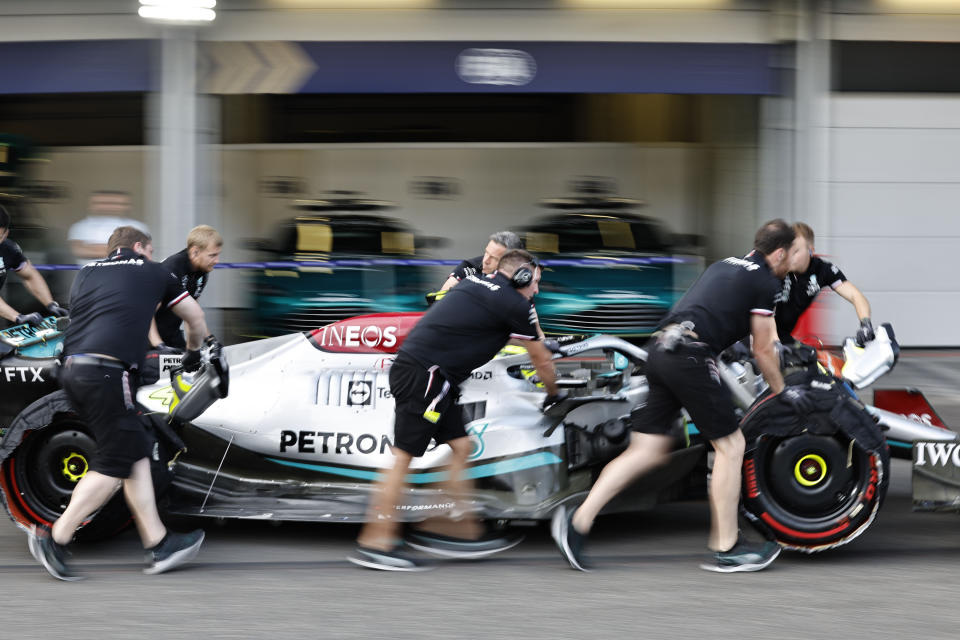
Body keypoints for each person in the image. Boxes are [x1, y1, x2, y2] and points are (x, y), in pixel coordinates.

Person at [553, 219, 807, 573]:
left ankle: (577, 523)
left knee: (646, 450)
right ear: (779, 253)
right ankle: (726, 547)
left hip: (660, 349)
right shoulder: (766, 281)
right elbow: (763, 349)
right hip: (690, 356)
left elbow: (717, 311)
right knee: (731, 446)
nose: (798, 257)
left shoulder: (726, 264)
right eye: (795, 251)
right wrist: (783, 392)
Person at [350, 249, 562, 571]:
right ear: (520, 277)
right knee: (403, 457)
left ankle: (446, 527)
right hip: (428, 377)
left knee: (461, 447)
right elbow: (541, 359)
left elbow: (478, 328)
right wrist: (554, 393)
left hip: (428, 375)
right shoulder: (516, 304)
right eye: (535, 282)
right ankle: (376, 541)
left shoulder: (474, 285)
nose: (537, 290)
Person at [27, 226, 214, 581]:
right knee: (114, 462)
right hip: (108, 374)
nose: (154, 254)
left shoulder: (85, 273)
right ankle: (54, 537)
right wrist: (192, 354)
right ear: (140, 247)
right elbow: (196, 319)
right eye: (151, 248)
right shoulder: (155, 270)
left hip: (72, 371)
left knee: (135, 450)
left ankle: (158, 543)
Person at [776, 222, 873, 345]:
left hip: (783, 336)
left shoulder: (823, 270)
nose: (789, 256)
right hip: (758, 334)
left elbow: (855, 295)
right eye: (787, 250)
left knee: (813, 358)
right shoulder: (777, 267)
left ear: (810, 251)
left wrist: (865, 324)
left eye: (795, 251)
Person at [149, 225, 223, 349]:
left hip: (172, 335)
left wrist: (210, 340)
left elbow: (192, 315)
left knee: (193, 362)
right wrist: (158, 345)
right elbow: (147, 313)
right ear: (195, 252)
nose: (217, 261)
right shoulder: (171, 268)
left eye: (218, 255)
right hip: (148, 339)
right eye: (212, 255)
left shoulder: (202, 273)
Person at [0, 204, 69, 326]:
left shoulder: (8, 248)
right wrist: (18, 317)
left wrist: (50, 304)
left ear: (6, 234)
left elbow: (30, 276)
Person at [67, 191, 149, 264]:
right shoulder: (80, 227)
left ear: (127, 206)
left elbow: (140, 252)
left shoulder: (138, 226)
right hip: (91, 277)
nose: (109, 206)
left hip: (127, 277)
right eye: (103, 203)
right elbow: (79, 251)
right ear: (91, 205)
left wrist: (95, 249)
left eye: (116, 203)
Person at [437, 230, 525, 292]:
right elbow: (440, 300)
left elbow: (530, 315)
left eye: (494, 258)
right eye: (486, 252)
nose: (485, 261)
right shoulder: (470, 267)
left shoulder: (522, 275)